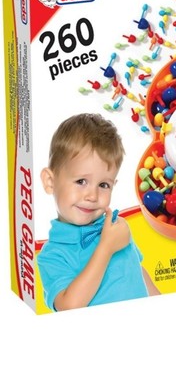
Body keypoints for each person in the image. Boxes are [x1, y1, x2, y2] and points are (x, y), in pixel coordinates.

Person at [37, 113, 159, 311]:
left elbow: (137, 271)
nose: (92, 196)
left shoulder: (115, 228)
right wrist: (105, 248)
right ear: (50, 182)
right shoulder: (53, 255)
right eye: (81, 181)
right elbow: (68, 307)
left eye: (103, 185)